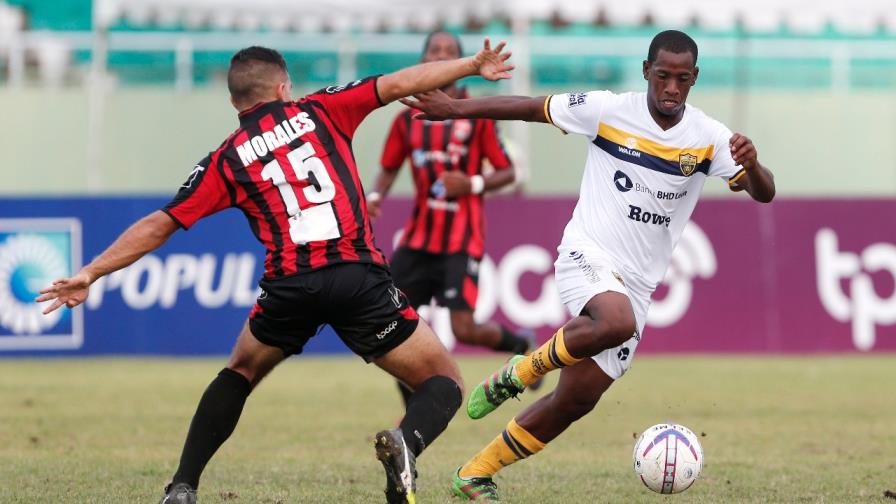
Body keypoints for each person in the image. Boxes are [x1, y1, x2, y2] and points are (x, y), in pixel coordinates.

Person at [35, 40, 514, 504]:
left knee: (240, 371)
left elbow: (161, 224)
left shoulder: (227, 158)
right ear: (284, 86)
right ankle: (406, 443)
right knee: (444, 379)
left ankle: (182, 486)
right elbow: (398, 83)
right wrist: (470, 64)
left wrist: (91, 272)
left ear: (233, 101)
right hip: (356, 278)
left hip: (289, 287)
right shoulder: (324, 109)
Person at [401, 30, 776, 501]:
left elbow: (764, 192)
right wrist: (455, 108)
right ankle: (521, 372)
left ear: (695, 78)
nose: (671, 88)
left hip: (639, 284)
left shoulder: (709, 138)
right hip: (588, 254)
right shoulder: (608, 110)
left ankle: (473, 475)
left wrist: (755, 165)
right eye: (662, 76)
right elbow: (529, 106)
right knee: (614, 321)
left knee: (575, 400)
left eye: (682, 79)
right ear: (646, 71)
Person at [367, 31, 535, 408]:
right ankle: (413, 413)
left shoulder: (477, 115)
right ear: (424, 60)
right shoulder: (406, 118)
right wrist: (376, 195)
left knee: (464, 329)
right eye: (434, 52)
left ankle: (519, 345)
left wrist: (472, 182)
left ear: (463, 64)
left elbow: (509, 172)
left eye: (449, 53)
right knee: (390, 326)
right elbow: (389, 167)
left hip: (462, 238)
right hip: (417, 240)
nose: (441, 58)